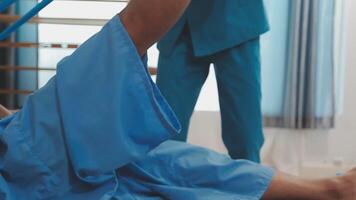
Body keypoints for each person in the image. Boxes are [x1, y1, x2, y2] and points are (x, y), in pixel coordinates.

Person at [0, 0, 356, 199]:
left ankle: (330, 190)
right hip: (179, 32)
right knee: (159, 144)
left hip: (235, 18)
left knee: (215, 144)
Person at [156, 0, 268, 162]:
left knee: (245, 135)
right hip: (178, 23)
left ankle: (248, 183)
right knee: (165, 131)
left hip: (237, 18)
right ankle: (160, 184)